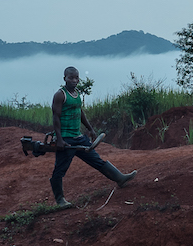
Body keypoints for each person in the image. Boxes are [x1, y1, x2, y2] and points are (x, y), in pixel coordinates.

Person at [50, 66, 137, 207]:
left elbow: (80, 112)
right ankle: (60, 200)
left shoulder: (76, 93)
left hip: (78, 137)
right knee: (60, 169)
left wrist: (90, 128)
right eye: (70, 77)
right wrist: (59, 139)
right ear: (64, 78)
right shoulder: (60, 95)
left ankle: (119, 178)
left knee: (96, 159)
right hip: (66, 139)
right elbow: (56, 117)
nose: (74, 80)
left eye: (76, 78)